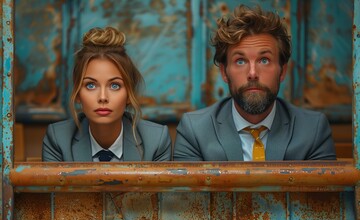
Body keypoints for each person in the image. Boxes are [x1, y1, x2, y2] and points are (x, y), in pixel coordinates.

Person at [173, 5, 336, 161]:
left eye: (264, 60)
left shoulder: (313, 129)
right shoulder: (195, 130)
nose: (252, 74)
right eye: (240, 61)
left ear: (283, 71)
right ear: (224, 72)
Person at [42, 27, 172, 162]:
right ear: (78, 94)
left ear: (128, 94)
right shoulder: (58, 139)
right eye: (90, 85)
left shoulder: (156, 140)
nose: (103, 97)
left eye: (115, 86)